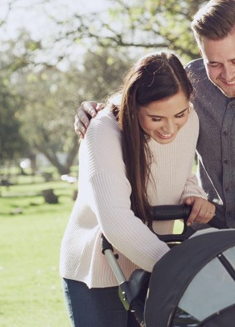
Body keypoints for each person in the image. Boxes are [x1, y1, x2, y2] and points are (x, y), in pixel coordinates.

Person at [74, 0, 235, 246]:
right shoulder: (191, 79)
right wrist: (100, 109)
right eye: (215, 64)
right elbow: (147, 100)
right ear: (202, 53)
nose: (228, 74)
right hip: (208, 236)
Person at [61, 51, 216, 326]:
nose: (170, 127)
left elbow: (175, 171)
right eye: (156, 118)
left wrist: (194, 193)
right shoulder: (102, 131)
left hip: (156, 266)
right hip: (100, 272)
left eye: (179, 113)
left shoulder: (190, 120)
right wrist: (178, 271)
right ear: (134, 105)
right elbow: (116, 221)